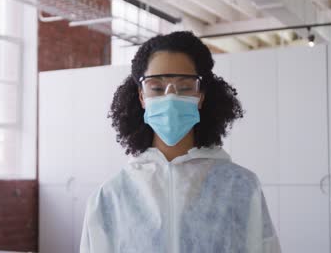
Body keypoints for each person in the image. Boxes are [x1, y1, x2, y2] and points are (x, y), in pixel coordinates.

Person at [80, 31, 281, 253]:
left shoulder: (241, 187)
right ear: (141, 96)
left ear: (201, 95)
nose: (171, 97)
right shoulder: (110, 198)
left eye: (184, 87)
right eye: (156, 87)